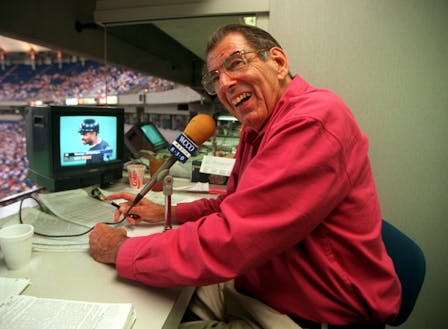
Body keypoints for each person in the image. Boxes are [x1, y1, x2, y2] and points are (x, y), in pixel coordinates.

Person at [89, 24, 401, 329]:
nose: (224, 84)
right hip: (261, 286)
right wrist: (164, 212)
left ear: (277, 62)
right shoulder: (258, 128)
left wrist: (121, 251)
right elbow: (233, 205)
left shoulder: (312, 120)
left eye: (235, 63)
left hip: (313, 312)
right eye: (215, 78)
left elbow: (231, 239)